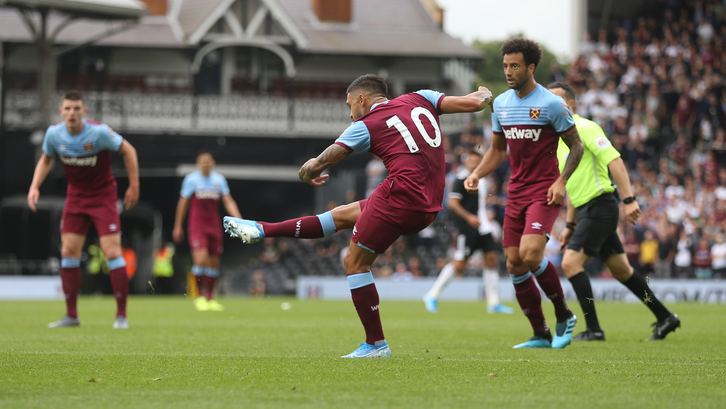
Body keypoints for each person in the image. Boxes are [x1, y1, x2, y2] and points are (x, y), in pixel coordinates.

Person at [224, 74, 493, 358]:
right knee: (340, 216)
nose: (350, 112)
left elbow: (323, 160)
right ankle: (262, 229)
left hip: (401, 196)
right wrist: (485, 92)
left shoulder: (365, 125)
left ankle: (376, 345)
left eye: (350, 105)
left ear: (362, 100)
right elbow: (475, 102)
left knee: (354, 262)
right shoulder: (421, 97)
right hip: (428, 205)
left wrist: (308, 172)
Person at [464, 38, 583, 349]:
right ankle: (541, 333)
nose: (508, 71)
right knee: (514, 263)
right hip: (515, 192)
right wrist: (477, 173)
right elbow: (497, 150)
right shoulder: (500, 104)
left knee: (531, 255)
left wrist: (561, 182)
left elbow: (577, 147)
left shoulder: (552, 104)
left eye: (514, 65)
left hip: (544, 190)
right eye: (505, 66)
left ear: (531, 67)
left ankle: (564, 314)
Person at [549, 81, 681, 341]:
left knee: (570, 263)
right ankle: (665, 317)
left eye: (557, 100)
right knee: (622, 271)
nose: (551, 105)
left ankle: (594, 329)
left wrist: (629, 199)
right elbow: (572, 187)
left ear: (571, 104)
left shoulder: (585, 127)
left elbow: (616, 160)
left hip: (601, 205)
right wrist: (570, 225)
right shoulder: (559, 141)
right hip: (588, 209)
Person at [27, 90, 139, 329]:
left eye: (76, 108)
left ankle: (121, 316)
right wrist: (34, 186)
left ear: (84, 112)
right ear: (61, 112)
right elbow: (46, 159)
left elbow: (129, 150)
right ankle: (72, 316)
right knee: (68, 251)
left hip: (103, 198)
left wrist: (134, 185)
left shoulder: (99, 133)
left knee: (111, 252)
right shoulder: (54, 134)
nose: (72, 113)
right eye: (67, 108)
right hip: (76, 198)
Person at [423, 151, 514, 314]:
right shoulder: (460, 180)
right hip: (467, 228)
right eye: (471, 161)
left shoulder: (482, 180)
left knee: (492, 259)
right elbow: (452, 203)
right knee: (460, 264)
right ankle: (432, 295)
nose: (473, 164)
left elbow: (479, 202)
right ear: (465, 162)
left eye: (476, 161)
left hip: (483, 226)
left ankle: (493, 302)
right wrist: (469, 217)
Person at [173, 151, 241, 311]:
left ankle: (210, 298)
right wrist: (178, 226)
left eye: (207, 161)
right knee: (200, 259)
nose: (205, 164)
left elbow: (227, 200)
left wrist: (239, 219)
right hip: (197, 226)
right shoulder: (191, 180)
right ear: (198, 164)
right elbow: (183, 203)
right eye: (202, 162)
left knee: (214, 263)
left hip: (214, 226)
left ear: (212, 163)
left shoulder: (219, 180)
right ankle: (199, 296)